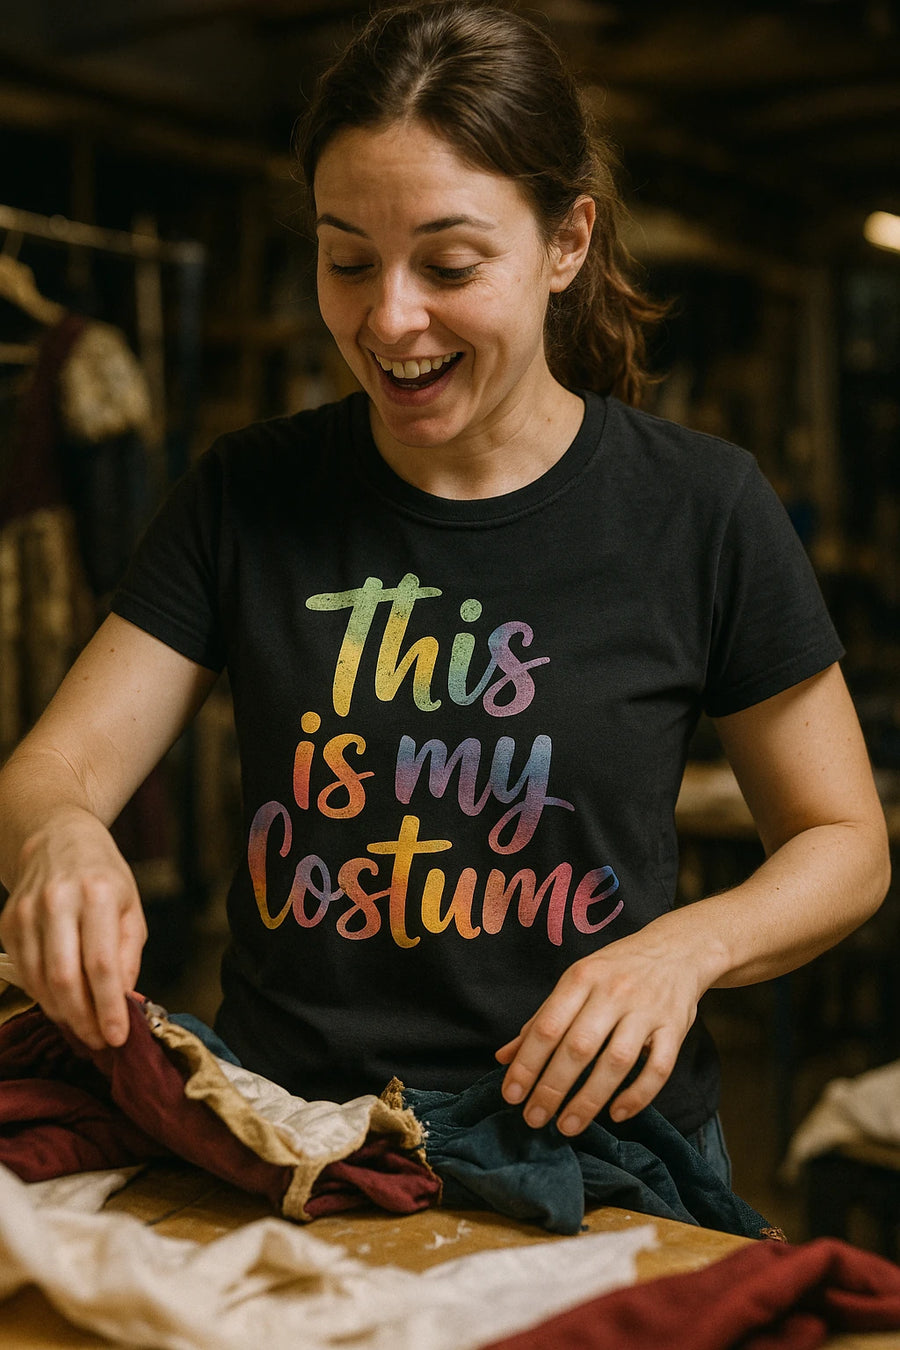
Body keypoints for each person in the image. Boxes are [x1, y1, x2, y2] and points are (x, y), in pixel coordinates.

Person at [0, 0, 889, 1182]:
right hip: (301, 1148)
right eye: (346, 261)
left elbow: (844, 842)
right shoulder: (248, 493)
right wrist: (61, 839)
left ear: (566, 243)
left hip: (603, 1158)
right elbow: (52, 771)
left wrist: (686, 951)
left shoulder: (701, 506)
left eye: (450, 264)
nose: (389, 318)